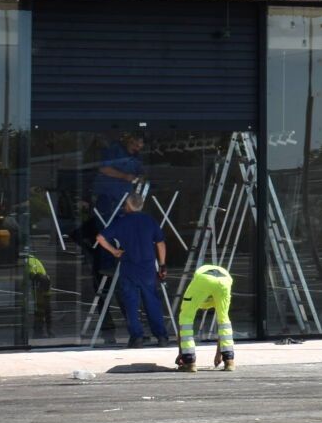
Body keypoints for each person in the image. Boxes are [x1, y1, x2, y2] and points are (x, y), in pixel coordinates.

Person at [96, 191, 169, 347]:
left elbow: (100, 238)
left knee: (131, 303)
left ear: (128, 205)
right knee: (152, 302)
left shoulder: (121, 222)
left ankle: (137, 338)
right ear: (141, 205)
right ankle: (161, 336)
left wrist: (114, 251)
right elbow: (160, 243)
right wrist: (162, 264)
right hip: (148, 268)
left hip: (129, 267)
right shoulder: (149, 221)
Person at [174, 263, 236, 371]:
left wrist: (182, 353)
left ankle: (189, 362)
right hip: (225, 280)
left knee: (185, 318)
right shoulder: (214, 298)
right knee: (224, 320)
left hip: (203, 278)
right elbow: (223, 330)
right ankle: (229, 362)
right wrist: (220, 354)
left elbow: (182, 327)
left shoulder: (195, 294)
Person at [93, 132, 148, 225]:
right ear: (131, 140)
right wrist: (124, 176)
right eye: (136, 145)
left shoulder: (137, 155)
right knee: (105, 223)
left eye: (140, 146)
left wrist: (141, 177)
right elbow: (103, 168)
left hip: (126, 198)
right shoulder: (114, 149)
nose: (138, 148)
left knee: (124, 224)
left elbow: (141, 171)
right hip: (108, 195)